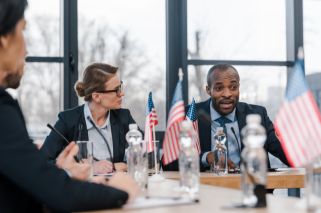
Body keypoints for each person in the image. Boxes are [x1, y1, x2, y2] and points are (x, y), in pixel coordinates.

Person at [0, 0, 139, 212]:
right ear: (4, 41)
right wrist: (120, 190)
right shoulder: (4, 109)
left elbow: (26, 189)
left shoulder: (123, 116)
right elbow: (59, 193)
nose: (26, 49)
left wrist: (65, 174)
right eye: (23, 32)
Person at [163, 64, 289, 171]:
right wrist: (206, 157)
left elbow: (284, 152)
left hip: (251, 190)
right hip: (207, 192)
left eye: (233, 87)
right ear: (208, 90)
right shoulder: (191, 114)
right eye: (219, 88)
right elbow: (168, 163)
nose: (227, 94)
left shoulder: (256, 115)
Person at [41, 63, 135, 174]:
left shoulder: (124, 117)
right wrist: (89, 168)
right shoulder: (68, 120)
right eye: (116, 90)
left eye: (121, 87)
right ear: (96, 97)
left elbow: (146, 153)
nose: (122, 93)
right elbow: (43, 161)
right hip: (80, 188)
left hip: (117, 186)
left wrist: (116, 166)